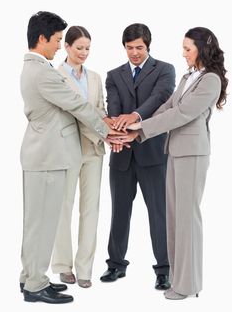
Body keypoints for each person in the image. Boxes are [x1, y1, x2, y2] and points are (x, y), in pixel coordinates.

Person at [19, 11, 122, 304]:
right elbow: (77, 104)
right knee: (44, 222)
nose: (57, 45)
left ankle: (30, 278)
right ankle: (36, 284)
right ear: (42, 39)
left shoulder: (37, 69)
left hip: (47, 155)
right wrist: (107, 131)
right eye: (57, 40)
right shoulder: (44, 72)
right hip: (50, 156)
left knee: (35, 222)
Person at [123, 27, 228, 299]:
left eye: (188, 49)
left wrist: (142, 128)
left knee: (187, 220)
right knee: (174, 218)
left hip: (193, 154)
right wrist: (137, 127)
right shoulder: (189, 76)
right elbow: (168, 106)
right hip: (175, 151)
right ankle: (177, 280)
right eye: (183, 49)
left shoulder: (210, 80)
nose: (183, 54)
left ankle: (188, 285)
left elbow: (182, 114)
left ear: (202, 50)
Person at [100, 23, 175, 290]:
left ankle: (164, 269)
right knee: (119, 212)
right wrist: (117, 132)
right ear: (124, 47)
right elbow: (114, 104)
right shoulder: (113, 75)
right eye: (129, 48)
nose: (134, 53)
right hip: (122, 154)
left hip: (153, 153)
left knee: (158, 212)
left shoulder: (165, 70)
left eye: (139, 48)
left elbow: (160, 98)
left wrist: (136, 117)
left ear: (148, 46)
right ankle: (116, 265)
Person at [51, 26, 110, 288]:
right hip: (67, 150)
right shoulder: (54, 76)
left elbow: (100, 110)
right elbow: (71, 113)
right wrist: (106, 133)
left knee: (91, 210)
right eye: (79, 48)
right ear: (67, 47)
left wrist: (110, 132)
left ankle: (85, 268)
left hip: (94, 150)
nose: (84, 53)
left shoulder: (95, 77)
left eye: (88, 48)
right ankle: (63, 266)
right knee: (63, 208)